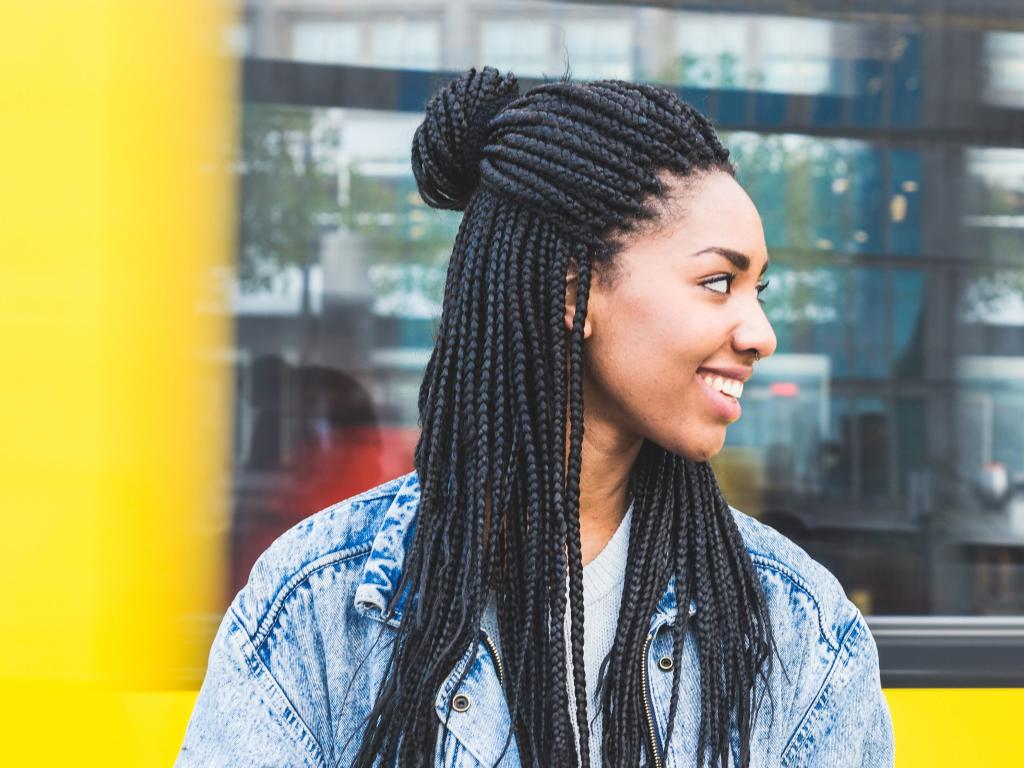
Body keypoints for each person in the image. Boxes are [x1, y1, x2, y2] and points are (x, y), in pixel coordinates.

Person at [177, 66, 895, 767]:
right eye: (717, 282)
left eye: (757, 291)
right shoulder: (318, 607)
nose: (761, 335)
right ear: (574, 291)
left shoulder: (802, 631)